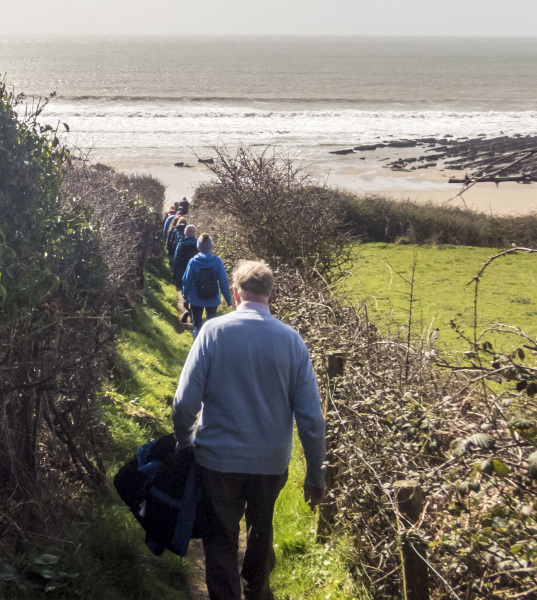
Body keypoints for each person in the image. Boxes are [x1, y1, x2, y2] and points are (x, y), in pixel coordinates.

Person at [173, 260, 326, 600]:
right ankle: (257, 590)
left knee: (221, 538)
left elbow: (184, 402)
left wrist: (186, 441)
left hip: (217, 459)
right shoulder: (292, 341)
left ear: (236, 292)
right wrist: (315, 473)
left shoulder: (213, 332)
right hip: (270, 462)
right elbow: (312, 419)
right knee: (261, 529)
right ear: (272, 295)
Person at [181, 233, 232, 339]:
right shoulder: (217, 261)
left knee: (197, 326)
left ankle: (198, 350)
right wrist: (228, 300)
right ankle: (210, 350)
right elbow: (223, 281)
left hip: (196, 299)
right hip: (213, 299)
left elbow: (186, 281)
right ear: (210, 246)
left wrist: (185, 297)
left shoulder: (193, 262)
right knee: (211, 326)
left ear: (198, 246)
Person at [173, 224, 198, 320]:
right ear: (194, 233)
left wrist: (175, 274)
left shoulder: (181, 243)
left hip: (184, 270)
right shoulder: (198, 244)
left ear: (185, 233)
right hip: (196, 272)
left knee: (185, 290)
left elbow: (176, 259)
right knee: (194, 290)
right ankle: (193, 310)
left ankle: (186, 308)